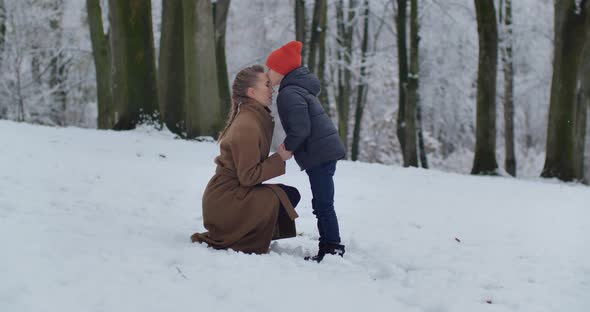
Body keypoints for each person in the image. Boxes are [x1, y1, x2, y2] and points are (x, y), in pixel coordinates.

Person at [191, 65, 300, 254]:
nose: (271, 89)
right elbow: (248, 177)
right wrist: (279, 158)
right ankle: (241, 235)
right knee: (283, 197)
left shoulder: (254, 117)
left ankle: (249, 232)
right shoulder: (248, 124)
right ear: (252, 92)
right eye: (267, 85)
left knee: (288, 195)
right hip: (226, 202)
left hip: (230, 195)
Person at [266, 41, 346, 262]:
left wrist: (289, 147)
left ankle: (332, 248)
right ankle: (330, 245)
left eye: (270, 68)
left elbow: (301, 128)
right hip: (322, 152)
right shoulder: (296, 89)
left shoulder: (289, 93)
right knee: (322, 202)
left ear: (281, 70)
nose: (267, 74)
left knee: (323, 204)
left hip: (319, 153)